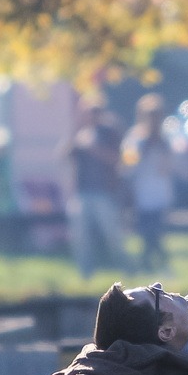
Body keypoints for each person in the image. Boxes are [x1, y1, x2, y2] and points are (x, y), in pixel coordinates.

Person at [66, 104, 127, 280]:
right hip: (82, 192)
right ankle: (85, 274)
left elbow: (116, 159)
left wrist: (94, 148)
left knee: (113, 235)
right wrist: (74, 135)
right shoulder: (80, 134)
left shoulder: (109, 133)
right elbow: (64, 156)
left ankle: (125, 270)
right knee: (81, 236)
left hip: (105, 192)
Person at [123, 93, 176, 271]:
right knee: (146, 231)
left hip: (160, 192)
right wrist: (143, 150)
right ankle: (151, 263)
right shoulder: (135, 138)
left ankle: (154, 263)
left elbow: (169, 166)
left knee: (157, 230)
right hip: (142, 192)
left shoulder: (165, 139)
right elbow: (128, 164)